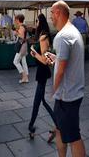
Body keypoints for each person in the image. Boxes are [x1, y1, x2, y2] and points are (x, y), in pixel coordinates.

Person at [46, 1, 86, 157]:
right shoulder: (72, 31)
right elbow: (65, 62)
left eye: (51, 13)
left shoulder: (63, 36)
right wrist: (56, 59)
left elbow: (61, 71)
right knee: (60, 130)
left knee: (74, 137)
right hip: (70, 93)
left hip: (66, 96)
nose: (51, 17)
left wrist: (53, 90)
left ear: (58, 13)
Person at [28, 13, 57, 142]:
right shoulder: (42, 35)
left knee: (37, 102)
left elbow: (45, 60)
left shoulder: (44, 37)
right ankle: (57, 124)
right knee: (41, 101)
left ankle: (31, 127)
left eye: (36, 21)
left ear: (40, 22)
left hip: (43, 71)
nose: (35, 23)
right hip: (42, 72)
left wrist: (34, 54)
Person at [13, 14, 29, 83]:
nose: (15, 21)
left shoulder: (22, 27)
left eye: (15, 19)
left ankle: (24, 76)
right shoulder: (23, 26)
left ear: (18, 20)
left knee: (15, 61)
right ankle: (26, 78)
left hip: (21, 46)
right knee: (23, 62)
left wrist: (16, 33)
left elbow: (21, 37)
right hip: (24, 46)